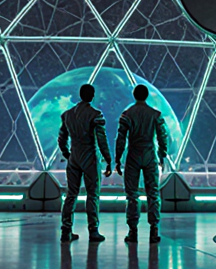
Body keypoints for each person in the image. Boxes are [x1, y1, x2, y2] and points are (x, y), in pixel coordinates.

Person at [115, 84, 169, 243]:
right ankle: (154, 230)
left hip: (133, 154)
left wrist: (118, 159)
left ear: (134, 95)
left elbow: (121, 138)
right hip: (149, 154)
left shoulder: (127, 115)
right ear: (146, 96)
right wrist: (162, 155)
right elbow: (162, 137)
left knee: (132, 194)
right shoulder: (155, 114)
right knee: (153, 193)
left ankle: (133, 230)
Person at [59, 83, 112, 243]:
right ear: (91, 95)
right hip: (90, 157)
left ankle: (66, 231)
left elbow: (62, 138)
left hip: (74, 157)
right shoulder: (95, 114)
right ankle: (93, 231)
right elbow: (101, 140)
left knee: (71, 195)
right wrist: (108, 159)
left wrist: (67, 153)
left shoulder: (67, 115)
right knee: (93, 195)